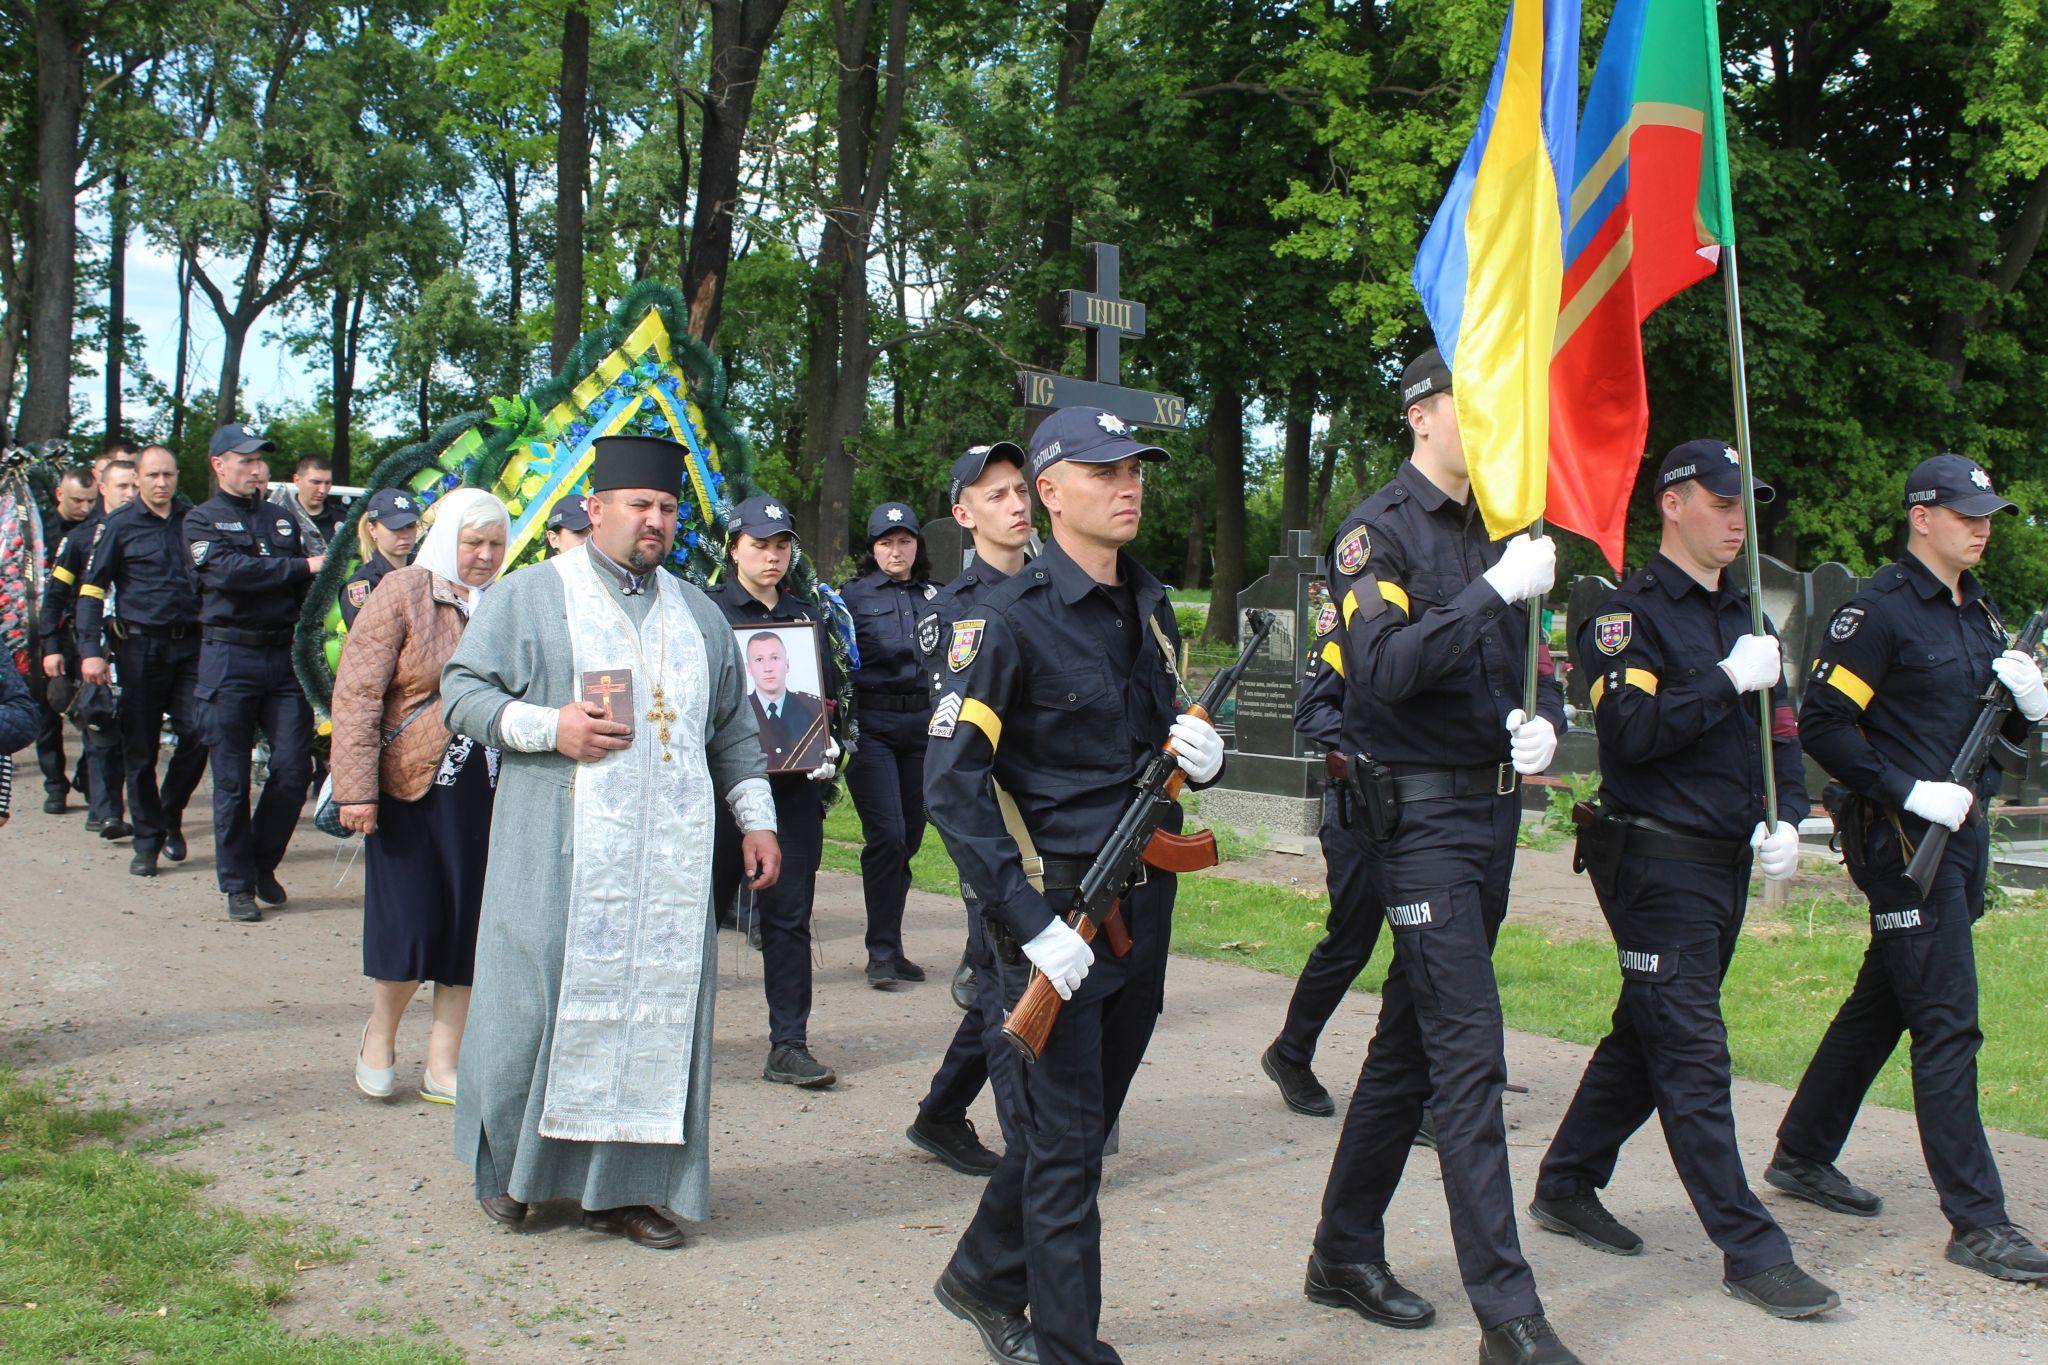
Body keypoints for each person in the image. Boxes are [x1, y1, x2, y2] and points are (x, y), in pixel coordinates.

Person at [924, 406, 1226, 1365]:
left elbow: (1158, 728)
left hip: (1145, 901)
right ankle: (1067, 1345)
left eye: (1135, 467)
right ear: (1049, 493)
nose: (1128, 483)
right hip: (1059, 913)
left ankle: (980, 1271)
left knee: (1084, 1126)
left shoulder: (1148, 601)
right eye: (1103, 471)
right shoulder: (1003, 621)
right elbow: (952, 785)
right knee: (1065, 1151)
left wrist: (1202, 756)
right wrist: (1022, 917)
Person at [440, 434, 780, 1251]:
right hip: (554, 847)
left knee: (652, 1015)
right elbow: (460, 693)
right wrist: (547, 724)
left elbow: (733, 726)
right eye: (640, 505)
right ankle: (514, 1176)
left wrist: (758, 816)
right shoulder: (531, 596)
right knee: (533, 1008)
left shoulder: (699, 613)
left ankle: (625, 1190)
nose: (655, 519)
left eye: (666, 507)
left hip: (665, 864)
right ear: (596, 510)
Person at [1306, 349, 1577, 1365]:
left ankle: (1339, 1249)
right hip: (1415, 821)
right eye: (1477, 399)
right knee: (1469, 1056)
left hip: (1490, 814)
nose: (1499, 415)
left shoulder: (1501, 530)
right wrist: (1485, 596)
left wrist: (1538, 718)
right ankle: (1506, 1316)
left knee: (1409, 1048)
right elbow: (1377, 667)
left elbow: (1521, 665)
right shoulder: (1375, 531)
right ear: (1422, 415)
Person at [1528, 442, 1838, 1318]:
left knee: (1649, 1032)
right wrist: (1723, 678)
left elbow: (1780, 729)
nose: (1739, 517)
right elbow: (1630, 731)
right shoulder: (1628, 616)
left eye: (1748, 503)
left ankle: (1566, 1178)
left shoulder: (1750, 615)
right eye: (1721, 500)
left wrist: (1790, 812)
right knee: (1695, 1055)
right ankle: (1750, 1247)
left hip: (1725, 861)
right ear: (1672, 504)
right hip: (1657, 860)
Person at [1769, 453, 2048, 1284]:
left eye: (1988, 512)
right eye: (1965, 512)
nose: (1982, 525)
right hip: (1898, 839)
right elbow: (1824, 725)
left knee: (1886, 997)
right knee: (1947, 1020)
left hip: (1957, 838)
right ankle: (1979, 1220)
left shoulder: (1980, 616)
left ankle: (1804, 1150)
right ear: (1921, 516)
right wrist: (1908, 789)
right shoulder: (1880, 613)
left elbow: (1996, 744)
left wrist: (2031, 711)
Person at [331, 489, 510, 1106]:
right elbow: (357, 693)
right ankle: (379, 1035)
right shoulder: (404, 591)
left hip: (488, 790)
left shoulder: (511, 602)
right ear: (448, 538)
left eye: (495, 543)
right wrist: (355, 790)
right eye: (473, 542)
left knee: (467, 924)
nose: (485, 555)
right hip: (410, 783)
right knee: (408, 920)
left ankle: (444, 1061)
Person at [905, 440, 1031, 1179]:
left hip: (1056, 814)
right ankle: (1033, 1148)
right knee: (1005, 967)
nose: (1015, 505)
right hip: (991, 817)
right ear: (964, 514)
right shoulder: (953, 614)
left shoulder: (1057, 584)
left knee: (994, 972)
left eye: (1020, 490)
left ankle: (941, 1113)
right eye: (995, 496)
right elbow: (955, 748)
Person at [708, 494, 842, 1088]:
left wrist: (827, 747)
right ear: (733, 547)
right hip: (715, 791)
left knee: (789, 917)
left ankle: (789, 1043)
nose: (772, 556)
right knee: (695, 917)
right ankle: (680, 1042)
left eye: (782, 545)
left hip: (791, 794)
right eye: (759, 544)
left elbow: (828, 697)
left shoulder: (809, 618)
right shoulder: (706, 613)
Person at [184, 422, 326, 921]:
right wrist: (301, 569)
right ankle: (237, 885)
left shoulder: (281, 520)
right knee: (230, 779)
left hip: (281, 658)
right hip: (229, 658)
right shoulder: (200, 520)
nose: (256, 468)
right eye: (245, 460)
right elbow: (229, 574)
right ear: (219, 465)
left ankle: (262, 863)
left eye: (260, 459)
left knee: (293, 768)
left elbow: (310, 584)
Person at [1259, 615, 1386, 1119]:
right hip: (1363, 801)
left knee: (1431, 944)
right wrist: (1384, 748)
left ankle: (1417, 1077)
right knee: (1353, 936)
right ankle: (1291, 1052)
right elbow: (1312, 711)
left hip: (1433, 806)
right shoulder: (1356, 617)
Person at [76, 446, 208, 877]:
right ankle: (148, 840)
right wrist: (90, 651)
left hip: (191, 646)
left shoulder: (194, 520)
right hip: (139, 649)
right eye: (152, 475)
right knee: (141, 750)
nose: (161, 483)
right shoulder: (119, 526)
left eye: (168, 474)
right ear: (138, 478)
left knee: (200, 732)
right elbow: (92, 590)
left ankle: (169, 813)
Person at [842, 500, 939, 988]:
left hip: (923, 728)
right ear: (872, 549)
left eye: (904, 541)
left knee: (911, 840)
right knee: (888, 837)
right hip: (874, 725)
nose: (896, 551)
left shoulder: (939, 595)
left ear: (917, 545)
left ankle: (892, 945)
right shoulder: (851, 598)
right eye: (886, 543)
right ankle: (879, 952)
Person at [47, 460, 136, 838]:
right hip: (92, 648)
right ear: (104, 488)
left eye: (134, 486)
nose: (129, 494)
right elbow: (54, 599)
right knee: (100, 727)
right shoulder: (82, 539)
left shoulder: (157, 532)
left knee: (132, 737)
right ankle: (107, 812)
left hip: (142, 651)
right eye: (122, 487)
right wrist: (51, 646)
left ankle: (98, 789)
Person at [32, 467, 103, 816]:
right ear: (60, 494)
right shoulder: (37, 531)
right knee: (49, 710)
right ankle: (54, 785)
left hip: (89, 630)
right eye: (77, 500)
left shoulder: (101, 530)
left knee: (94, 707)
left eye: (91, 501)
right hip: (49, 630)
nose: (85, 508)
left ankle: (88, 776)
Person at [340, 489, 422, 628]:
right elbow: (365, 641)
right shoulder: (363, 585)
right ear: (372, 530)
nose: (404, 535)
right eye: (395, 528)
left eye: (410, 526)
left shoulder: (425, 572)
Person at [271, 454, 344, 556]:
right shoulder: (279, 517)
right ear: (297, 480)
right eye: (316, 482)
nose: (322, 490)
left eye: (327, 483)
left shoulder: (343, 519)